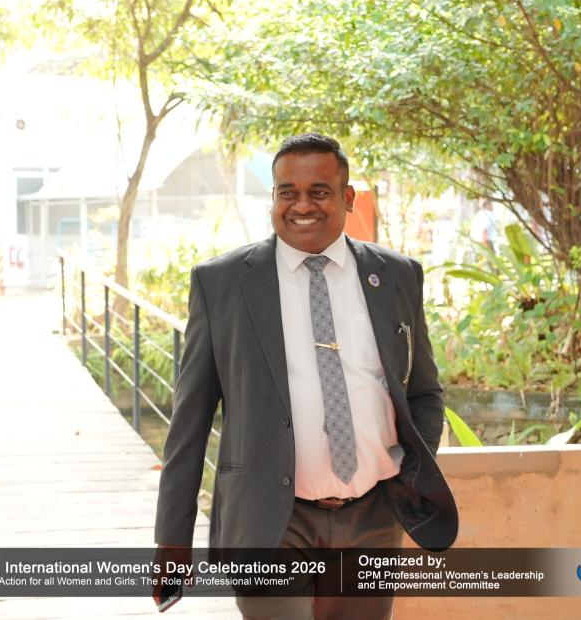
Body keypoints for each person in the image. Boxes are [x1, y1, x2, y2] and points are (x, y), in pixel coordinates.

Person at [154, 133, 458, 619]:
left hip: (374, 517)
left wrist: (409, 475)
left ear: (347, 197)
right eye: (287, 192)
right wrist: (172, 539)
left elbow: (423, 392)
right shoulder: (222, 283)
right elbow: (189, 423)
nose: (301, 206)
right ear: (273, 197)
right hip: (269, 519)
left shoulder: (397, 276)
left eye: (319, 191)